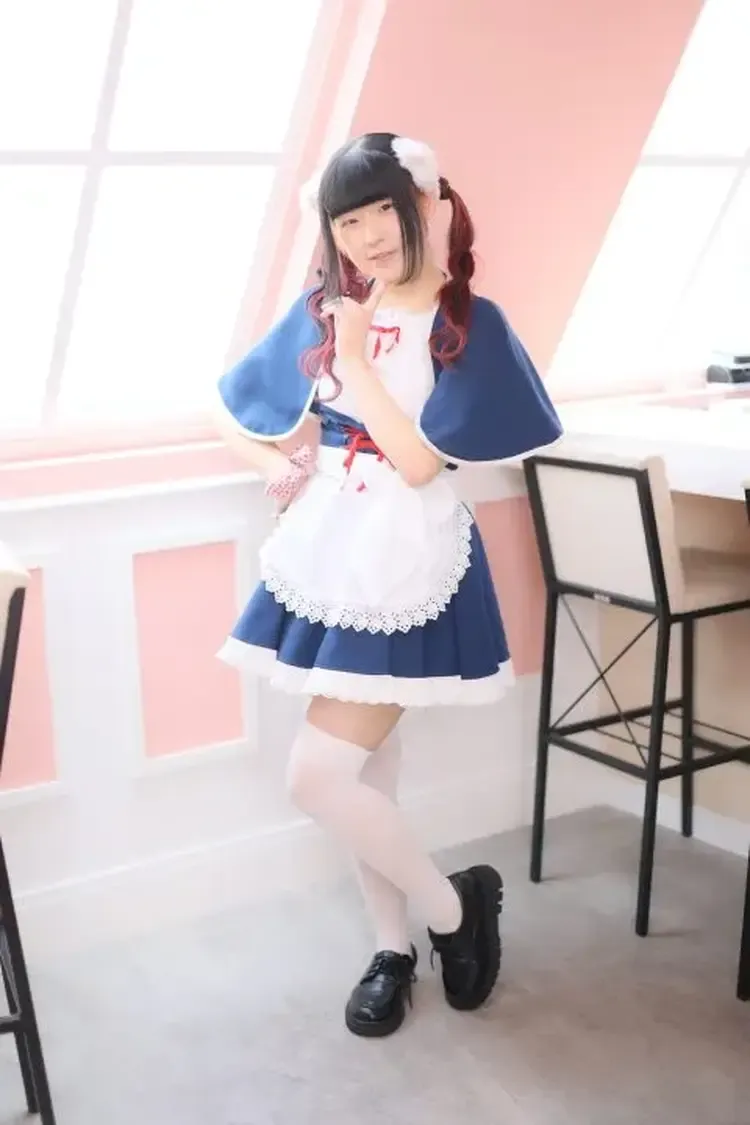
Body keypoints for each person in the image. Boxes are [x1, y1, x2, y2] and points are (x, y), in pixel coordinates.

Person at [214, 132, 562, 1038]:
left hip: (408, 552)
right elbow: (229, 409)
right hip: (331, 546)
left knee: (317, 775)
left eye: (383, 211)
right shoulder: (326, 307)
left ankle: (453, 909)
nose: (367, 235)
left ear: (426, 205)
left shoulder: (466, 324)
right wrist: (277, 467)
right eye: (347, 220)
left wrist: (358, 359)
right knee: (368, 771)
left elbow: (417, 462)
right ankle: (393, 945)